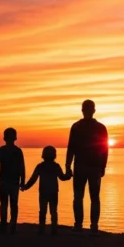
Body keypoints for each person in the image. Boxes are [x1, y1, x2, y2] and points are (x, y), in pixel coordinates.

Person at [65, 99, 109, 233]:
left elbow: (71, 148)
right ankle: (92, 226)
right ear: (93, 110)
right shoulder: (100, 127)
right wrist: (102, 166)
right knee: (92, 197)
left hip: (82, 166)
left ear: (83, 110)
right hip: (92, 167)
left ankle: (80, 225)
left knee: (80, 197)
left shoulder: (76, 126)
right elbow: (104, 149)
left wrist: (68, 165)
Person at [22, 146, 71, 235]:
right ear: (54, 155)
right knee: (53, 211)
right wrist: (69, 175)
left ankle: (42, 229)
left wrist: (25, 186)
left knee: (43, 211)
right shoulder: (56, 166)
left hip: (43, 191)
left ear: (43, 155)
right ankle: (54, 229)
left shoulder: (40, 166)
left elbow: (33, 179)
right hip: (53, 191)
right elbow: (62, 177)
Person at [0, 127, 26, 235]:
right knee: (14, 204)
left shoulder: (1, 150)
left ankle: (3, 226)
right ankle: (12, 226)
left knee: (3, 204)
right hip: (14, 182)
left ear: (4, 138)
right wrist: (23, 181)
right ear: (15, 138)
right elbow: (22, 168)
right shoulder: (18, 151)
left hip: (4, 181)